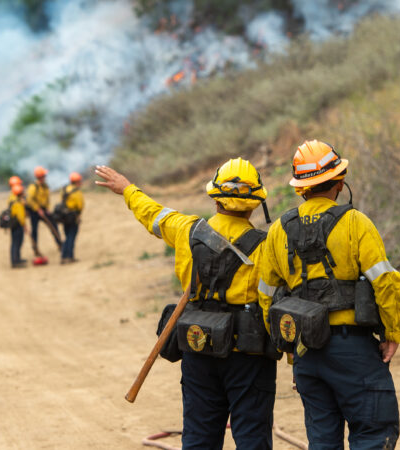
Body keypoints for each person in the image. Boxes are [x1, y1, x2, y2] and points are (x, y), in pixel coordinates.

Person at [95, 160, 277, 449]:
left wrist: (128, 189)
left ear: (215, 198)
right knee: (252, 437)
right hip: (248, 354)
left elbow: (153, 215)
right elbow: (272, 304)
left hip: (197, 343)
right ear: (256, 203)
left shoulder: (187, 231)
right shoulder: (269, 246)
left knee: (199, 436)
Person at [256, 140, 400, 449]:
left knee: (323, 441)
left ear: (301, 188)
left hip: (307, 353)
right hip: (353, 349)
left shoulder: (278, 232)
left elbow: (267, 298)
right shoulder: (355, 223)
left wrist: (291, 349)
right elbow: (386, 282)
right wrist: (393, 331)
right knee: (373, 435)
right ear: (339, 181)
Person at [26, 166, 61, 256]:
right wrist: (38, 209)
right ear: (40, 176)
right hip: (34, 211)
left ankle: (60, 244)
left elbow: (47, 198)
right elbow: (30, 199)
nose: (45, 177)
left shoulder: (45, 186)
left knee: (53, 226)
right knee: (35, 231)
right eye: (44, 175)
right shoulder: (33, 187)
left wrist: (47, 208)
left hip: (44, 209)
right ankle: (36, 249)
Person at [59, 172, 84, 264]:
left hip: (64, 216)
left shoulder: (65, 189)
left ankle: (63, 256)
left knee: (67, 236)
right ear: (77, 182)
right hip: (73, 216)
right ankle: (69, 256)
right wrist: (78, 216)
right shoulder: (77, 192)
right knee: (71, 236)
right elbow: (80, 205)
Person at [8, 184, 28, 268]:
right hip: (18, 225)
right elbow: (20, 216)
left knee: (15, 242)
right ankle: (15, 262)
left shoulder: (13, 199)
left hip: (14, 224)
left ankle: (17, 259)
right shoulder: (17, 203)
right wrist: (24, 225)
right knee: (17, 242)